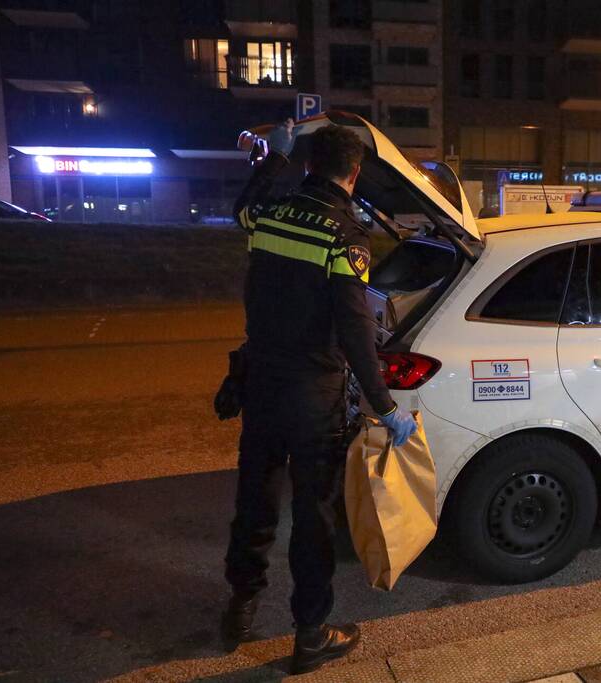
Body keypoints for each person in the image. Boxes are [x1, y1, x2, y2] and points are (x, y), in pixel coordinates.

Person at [221, 124, 417, 674]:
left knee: (255, 501)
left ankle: (239, 607)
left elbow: (242, 207)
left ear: (308, 164)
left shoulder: (270, 215)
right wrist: (384, 405)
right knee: (313, 519)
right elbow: (356, 330)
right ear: (353, 173)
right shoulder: (345, 235)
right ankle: (310, 635)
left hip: (261, 385)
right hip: (313, 398)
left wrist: (272, 160)